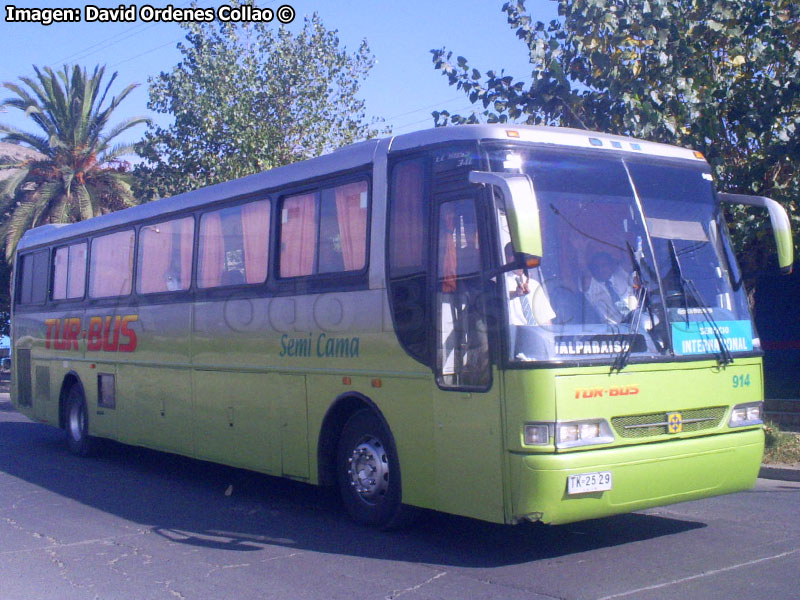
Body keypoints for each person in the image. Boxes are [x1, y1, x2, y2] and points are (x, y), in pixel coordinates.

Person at [504, 243, 555, 327]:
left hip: (536, 336)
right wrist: (515, 294)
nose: (515, 259)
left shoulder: (534, 284)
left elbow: (546, 320)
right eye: (512, 255)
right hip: (515, 335)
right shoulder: (500, 282)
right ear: (506, 257)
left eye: (520, 256)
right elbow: (501, 296)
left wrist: (549, 337)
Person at [584, 251, 637, 324]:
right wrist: (581, 251)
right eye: (596, 266)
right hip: (612, 331)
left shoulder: (621, 276)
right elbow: (583, 270)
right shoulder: (592, 286)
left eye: (604, 265)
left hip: (638, 324)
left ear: (611, 265)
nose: (600, 270)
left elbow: (628, 259)